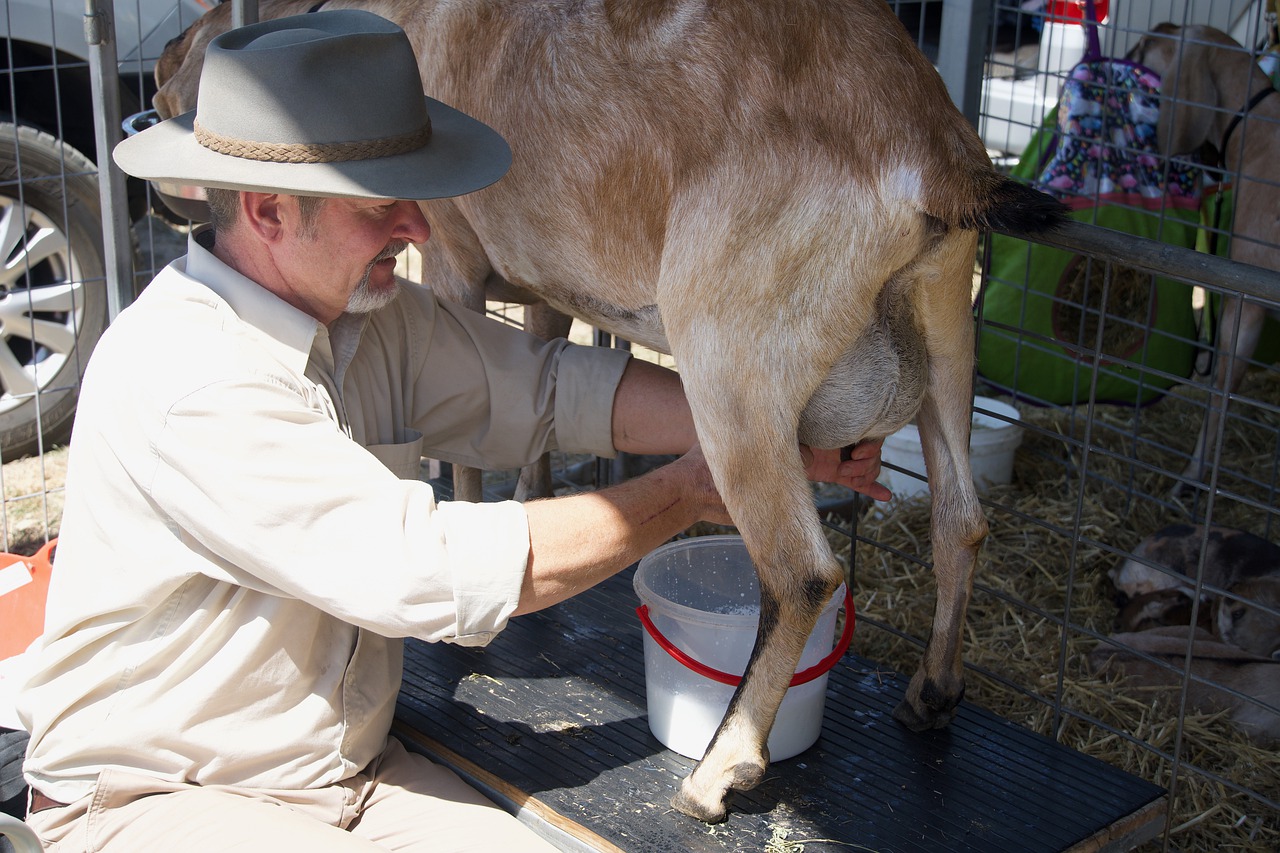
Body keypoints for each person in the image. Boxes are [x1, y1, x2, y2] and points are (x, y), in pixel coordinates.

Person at [16, 11, 887, 852]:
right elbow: (423, 570)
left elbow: (550, 385)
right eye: (379, 203)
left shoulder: (366, 318)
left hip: (344, 776)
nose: (418, 227)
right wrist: (688, 490)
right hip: (155, 799)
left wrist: (767, 433)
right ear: (270, 211)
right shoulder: (192, 375)